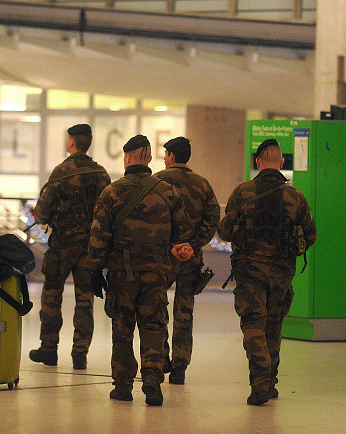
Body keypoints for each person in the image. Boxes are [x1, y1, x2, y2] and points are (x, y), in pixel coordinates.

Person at [88, 134, 194, 406]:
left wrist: (94, 269)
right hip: (156, 274)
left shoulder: (111, 192)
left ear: (127, 158)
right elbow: (184, 232)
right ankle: (152, 380)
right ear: (148, 158)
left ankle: (123, 386)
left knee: (122, 328)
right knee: (154, 327)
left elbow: (99, 235)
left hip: (122, 275)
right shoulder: (168, 191)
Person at [217, 138, 317, 406]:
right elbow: (311, 235)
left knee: (253, 324)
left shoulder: (242, 192)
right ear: (281, 163)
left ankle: (260, 383)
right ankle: (270, 382)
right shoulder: (296, 196)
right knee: (273, 325)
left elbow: (224, 231)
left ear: (258, 162)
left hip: (249, 272)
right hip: (282, 272)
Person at [29, 123, 111, 370]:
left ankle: (49, 350)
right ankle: (80, 354)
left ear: (72, 142)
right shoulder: (102, 174)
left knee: (52, 295)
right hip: (89, 246)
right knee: (85, 299)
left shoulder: (61, 172)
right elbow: (108, 211)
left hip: (62, 245)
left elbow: (42, 212)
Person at [153, 137, 220, 384]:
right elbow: (212, 220)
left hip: (163, 257)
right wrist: (192, 245)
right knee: (185, 311)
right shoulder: (203, 185)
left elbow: (153, 220)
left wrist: (171, 246)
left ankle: (160, 359)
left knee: (157, 307)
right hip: (191, 258)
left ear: (170, 155)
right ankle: (180, 368)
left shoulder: (157, 181)